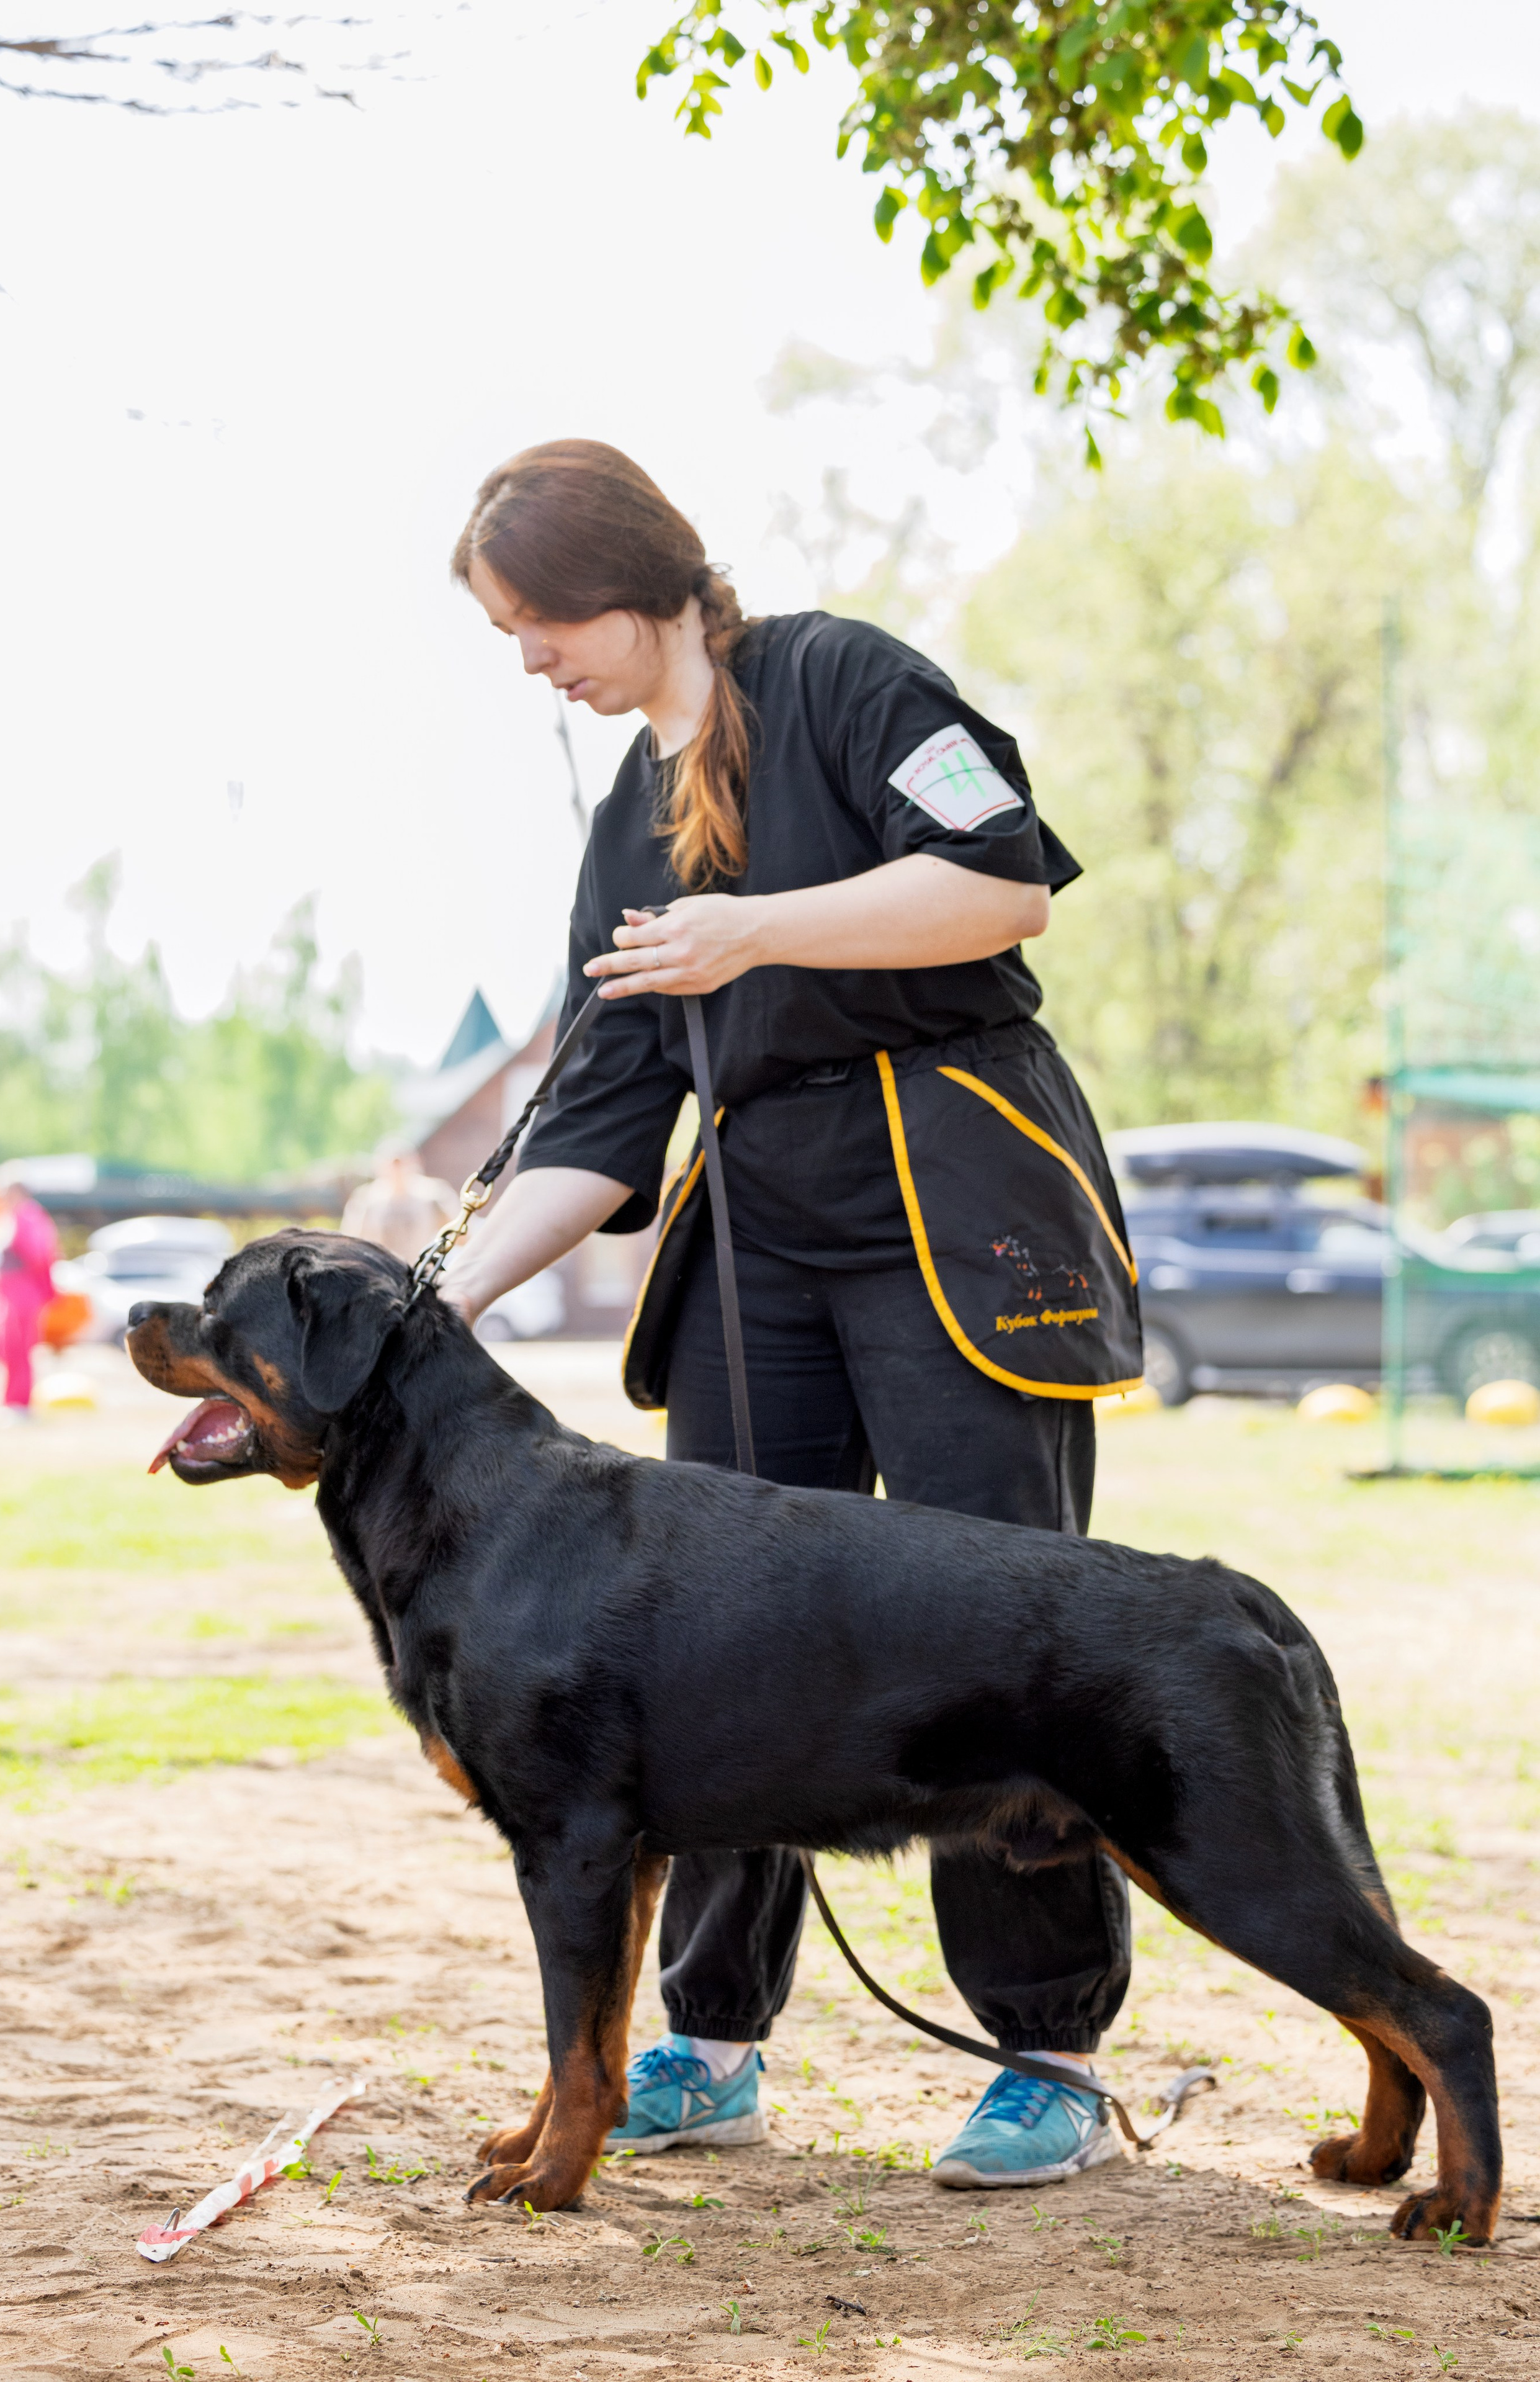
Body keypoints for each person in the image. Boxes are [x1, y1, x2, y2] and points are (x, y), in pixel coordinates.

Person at [443, 441, 1144, 2191]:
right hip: (753, 1239)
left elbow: (1004, 880)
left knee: (1003, 1612)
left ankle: (1043, 2048)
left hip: (956, 1200)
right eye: (511, 635)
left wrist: (756, 932)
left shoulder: (842, 676)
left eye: (547, 621)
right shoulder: (627, 810)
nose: (534, 659)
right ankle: (712, 2037)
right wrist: (423, 1302)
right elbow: (603, 1113)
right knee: (710, 1631)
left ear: (649, 577)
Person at [0, 1176, 60, 1421]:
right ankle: (10, 1401)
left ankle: (18, 1403)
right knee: (9, 1347)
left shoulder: (27, 1216)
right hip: (13, 1291)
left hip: (23, 1291)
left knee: (19, 1347)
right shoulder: (18, 1216)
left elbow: (38, 1255)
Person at [341, 1149, 460, 1269]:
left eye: (401, 1163)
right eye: (393, 1164)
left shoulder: (433, 1194)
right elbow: (350, 1246)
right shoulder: (366, 1200)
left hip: (423, 1274)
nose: (398, 1169)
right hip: (384, 1275)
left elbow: (462, 1236)